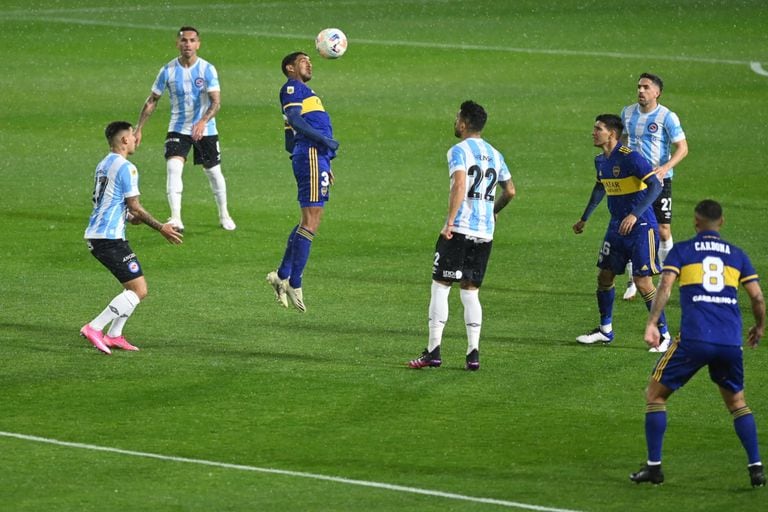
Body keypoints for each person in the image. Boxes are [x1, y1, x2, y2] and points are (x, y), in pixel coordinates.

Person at [631, 199, 765, 488]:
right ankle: (756, 467)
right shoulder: (737, 255)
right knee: (737, 403)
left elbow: (665, 287)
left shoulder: (682, 251)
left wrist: (653, 323)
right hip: (730, 342)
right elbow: (756, 297)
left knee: (655, 394)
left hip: (694, 339)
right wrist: (760, 326)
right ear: (722, 222)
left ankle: (654, 467)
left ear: (695, 222)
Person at [408, 100, 515, 371]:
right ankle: (473, 354)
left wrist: (450, 223)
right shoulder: (494, 153)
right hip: (484, 233)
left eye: (457, 117)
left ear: (464, 123)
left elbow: (459, 183)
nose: (455, 121)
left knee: (440, 287)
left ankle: (433, 351)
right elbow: (510, 191)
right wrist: (493, 211)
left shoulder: (458, 150)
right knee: (470, 293)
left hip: (460, 229)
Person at [80, 121, 183, 354]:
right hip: (109, 239)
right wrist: (161, 228)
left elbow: (107, 201)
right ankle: (94, 328)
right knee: (139, 290)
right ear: (124, 140)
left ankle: (114, 335)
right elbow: (135, 206)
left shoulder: (104, 164)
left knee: (133, 289)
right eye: (133, 135)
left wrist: (126, 216)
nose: (137, 138)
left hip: (99, 235)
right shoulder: (127, 167)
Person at [573, 114, 672, 352]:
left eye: (598, 129)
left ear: (612, 134)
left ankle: (664, 335)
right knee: (604, 277)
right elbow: (600, 187)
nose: (593, 132)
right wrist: (584, 218)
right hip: (616, 227)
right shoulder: (600, 161)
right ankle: (605, 330)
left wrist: (635, 214)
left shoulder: (631, 158)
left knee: (643, 282)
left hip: (641, 228)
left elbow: (656, 186)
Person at [134, 26, 236, 233]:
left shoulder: (207, 69)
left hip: (205, 129)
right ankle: (176, 217)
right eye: (183, 40)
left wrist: (202, 122)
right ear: (177, 43)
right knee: (173, 168)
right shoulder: (168, 70)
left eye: (191, 40)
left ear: (198, 44)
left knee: (214, 173)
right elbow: (153, 99)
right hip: (178, 128)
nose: (187, 44)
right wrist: (139, 128)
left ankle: (224, 213)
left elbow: (216, 102)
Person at [266, 52, 339, 313]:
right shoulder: (292, 87)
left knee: (309, 221)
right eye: (303, 60)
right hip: (311, 153)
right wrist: (323, 142)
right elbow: (295, 121)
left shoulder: (305, 92)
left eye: (310, 60)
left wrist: (323, 161)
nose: (309, 63)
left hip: (314, 156)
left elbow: (289, 138)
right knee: (310, 221)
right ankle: (294, 281)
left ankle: (282, 275)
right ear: (290, 67)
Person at [620, 73, 688, 301]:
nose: (640, 90)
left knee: (662, 230)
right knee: (631, 227)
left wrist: (664, 167)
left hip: (659, 181)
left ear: (657, 92)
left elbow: (682, 148)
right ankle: (633, 280)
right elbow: (623, 141)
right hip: (633, 182)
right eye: (639, 86)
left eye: (646, 87)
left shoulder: (667, 116)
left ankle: (666, 280)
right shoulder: (627, 113)